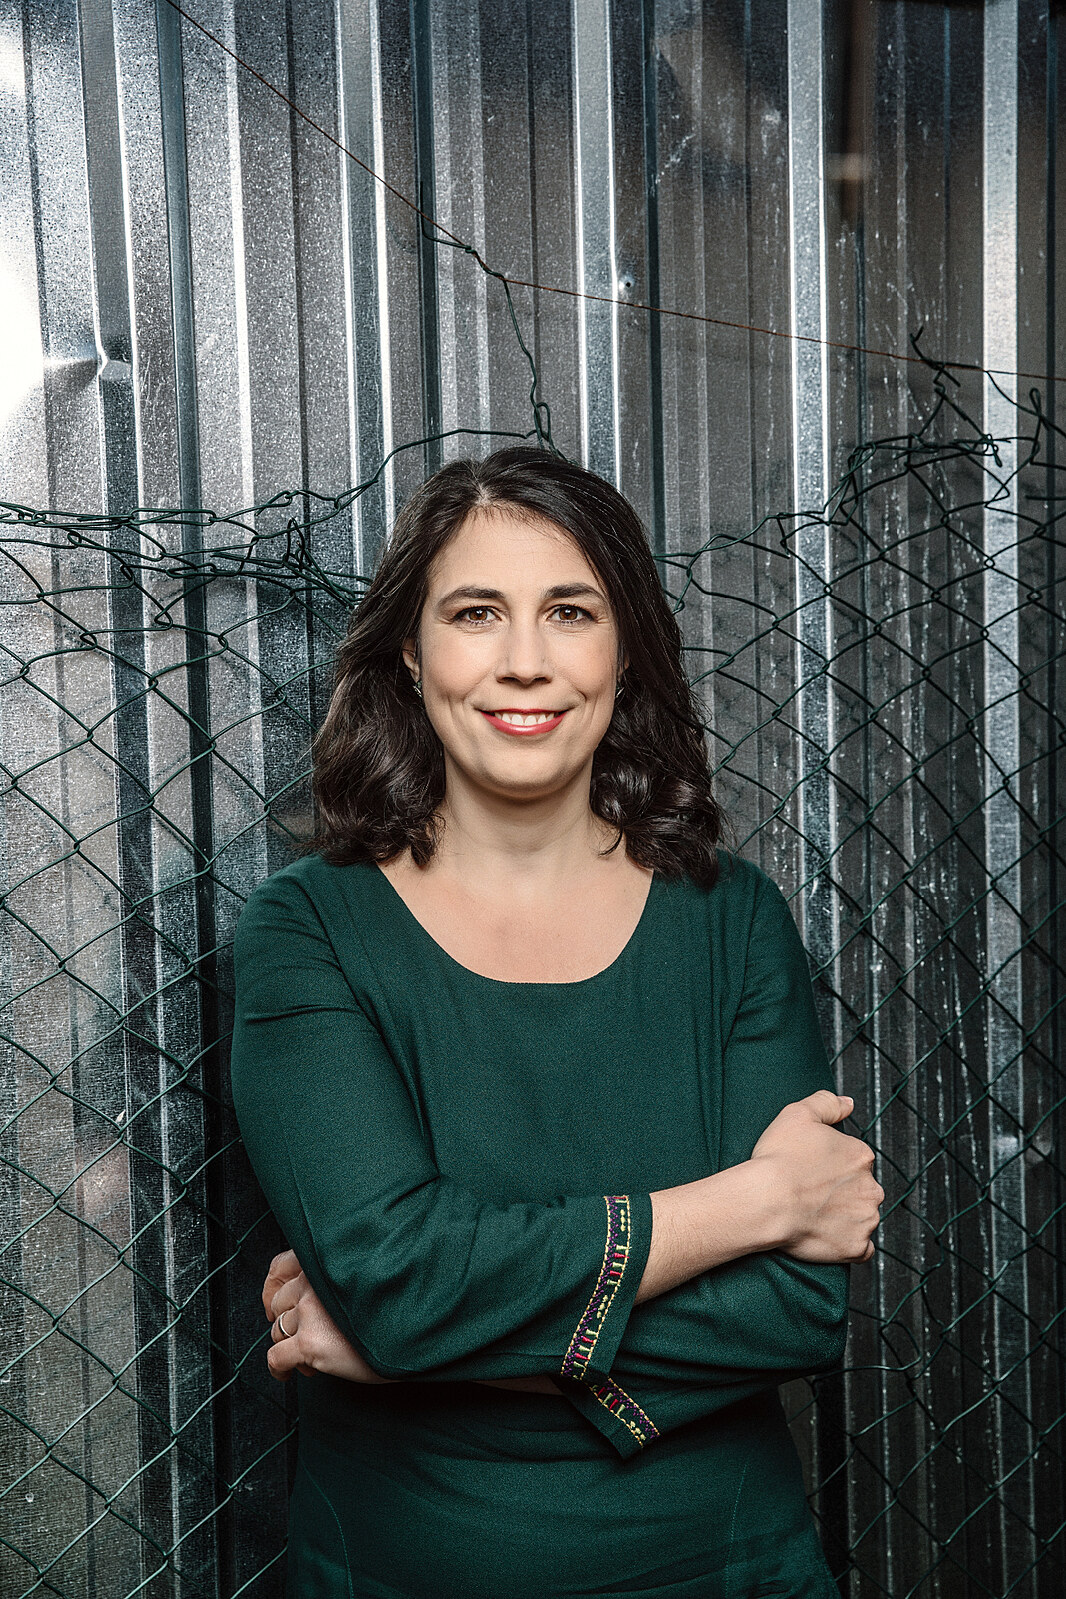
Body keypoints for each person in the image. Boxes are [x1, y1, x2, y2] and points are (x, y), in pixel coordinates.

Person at [229, 446, 883, 1599]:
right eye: (475, 613)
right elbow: (400, 1283)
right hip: (407, 1567)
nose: (524, 660)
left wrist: (410, 1349)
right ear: (411, 653)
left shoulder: (732, 920)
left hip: (724, 1565)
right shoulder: (310, 928)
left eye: (569, 612)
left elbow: (792, 1310)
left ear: (624, 652)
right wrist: (755, 1204)